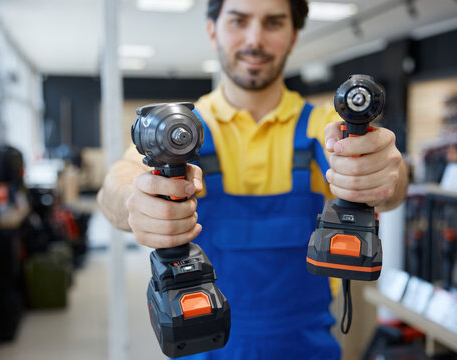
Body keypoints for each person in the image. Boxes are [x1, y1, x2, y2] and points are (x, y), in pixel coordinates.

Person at [98, 0, 409, 358]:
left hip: (306, 345)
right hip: (201, 344)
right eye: (239, 21)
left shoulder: (325, 127)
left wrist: (386, 176)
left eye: (274, 23)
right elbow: (117, 184)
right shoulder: (179, 132)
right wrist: (133, 202)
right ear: (212, 29)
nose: (254, 39)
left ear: (293, 36)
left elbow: (394, 182)